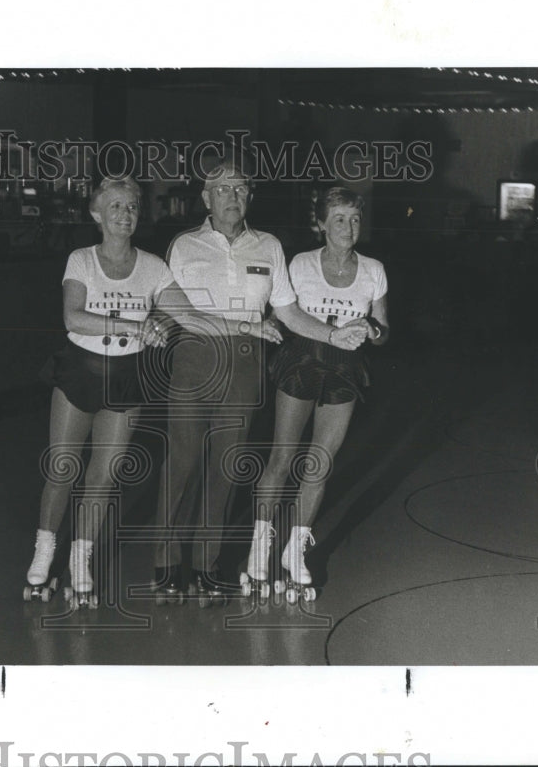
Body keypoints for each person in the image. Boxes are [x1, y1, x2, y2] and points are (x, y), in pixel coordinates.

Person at [152, 162, 367, 606]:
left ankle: (208, 567)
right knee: (184, 461)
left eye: (242, 189)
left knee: (226, 467)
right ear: (206, 198)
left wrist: (333, 335)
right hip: (195, 361)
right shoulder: (183, 244)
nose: (234, 196)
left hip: (246, 367)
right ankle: (168, 564)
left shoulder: (268, 246)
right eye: (224, 189)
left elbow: (287, 311)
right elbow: (174, 308)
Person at [25, 177, 173, 608]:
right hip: (81, 372)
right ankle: (44, 551)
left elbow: (181, 310)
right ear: (96, 214)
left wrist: (164, 324)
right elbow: (73, 318)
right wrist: (134, 326)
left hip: (127, 377)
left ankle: (80, 558)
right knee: (63, 468)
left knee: (103, 476)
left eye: (131, 207)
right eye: (114, 207)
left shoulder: (154, 266)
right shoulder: (81, 260)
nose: (124, 215)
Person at [241, 187, 389, 602]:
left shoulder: (374, 269)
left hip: (345, 369)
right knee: (282, 458)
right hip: (302, 361)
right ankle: (259, 550)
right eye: (339, 219)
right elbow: (283, 312)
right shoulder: (300, 264)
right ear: (321, 224)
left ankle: (293, 551)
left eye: (355, 219)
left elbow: (383, 331)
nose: (348, 227)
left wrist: (372, 330)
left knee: (320, 463)